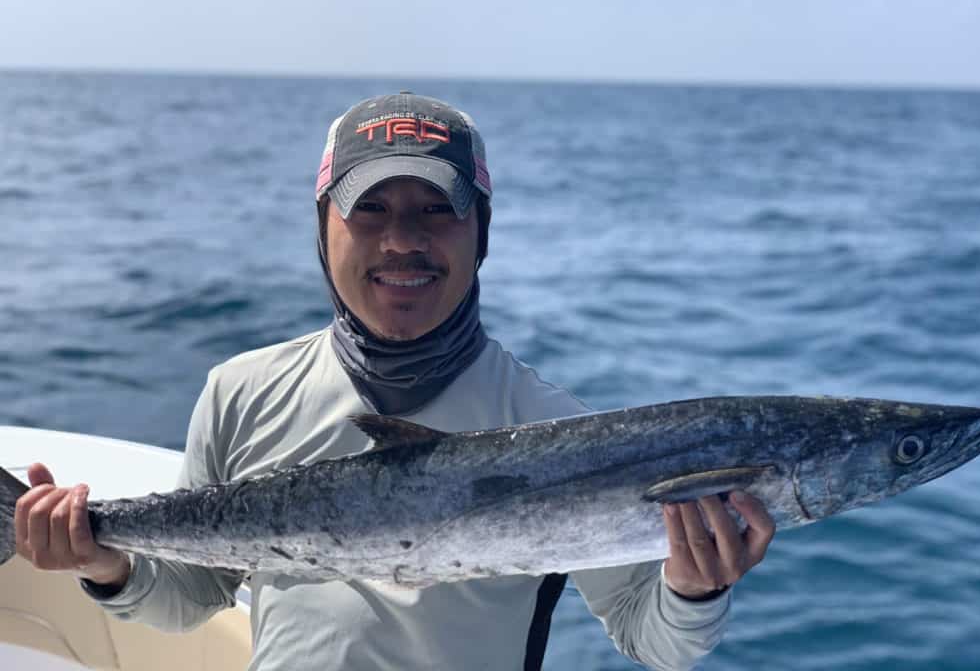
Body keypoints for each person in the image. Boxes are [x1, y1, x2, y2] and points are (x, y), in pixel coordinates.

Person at [15, 92, 776, 670]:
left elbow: (653, 639)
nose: (403, 241)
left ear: (482, 230)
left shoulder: (548, 427)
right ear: (324, 227)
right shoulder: (241, 392)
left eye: (435, 211)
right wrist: (102, 560)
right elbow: (191, 602)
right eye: (369, 209)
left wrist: (694, 589)